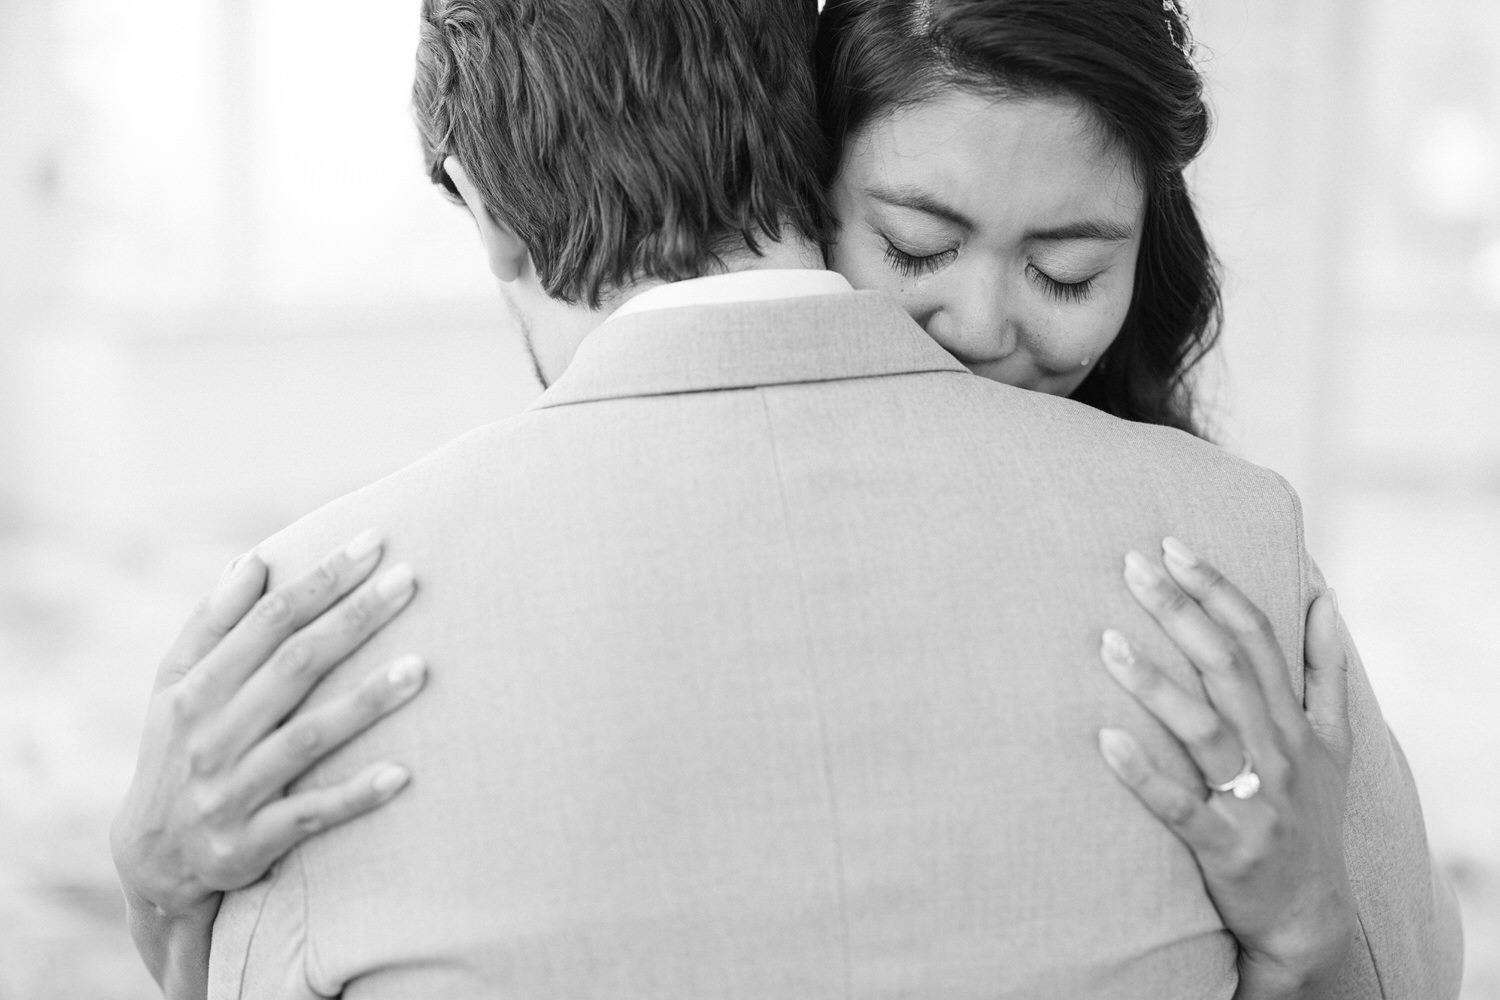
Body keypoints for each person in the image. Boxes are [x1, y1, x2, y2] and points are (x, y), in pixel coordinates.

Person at [109, 0, 1462, 997]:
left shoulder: (316, 629)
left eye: (1064, 270)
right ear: (810, 156)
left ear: (485, 207)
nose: (982, 325)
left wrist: (167, 896)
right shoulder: (1224, 543)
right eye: (923, 244)